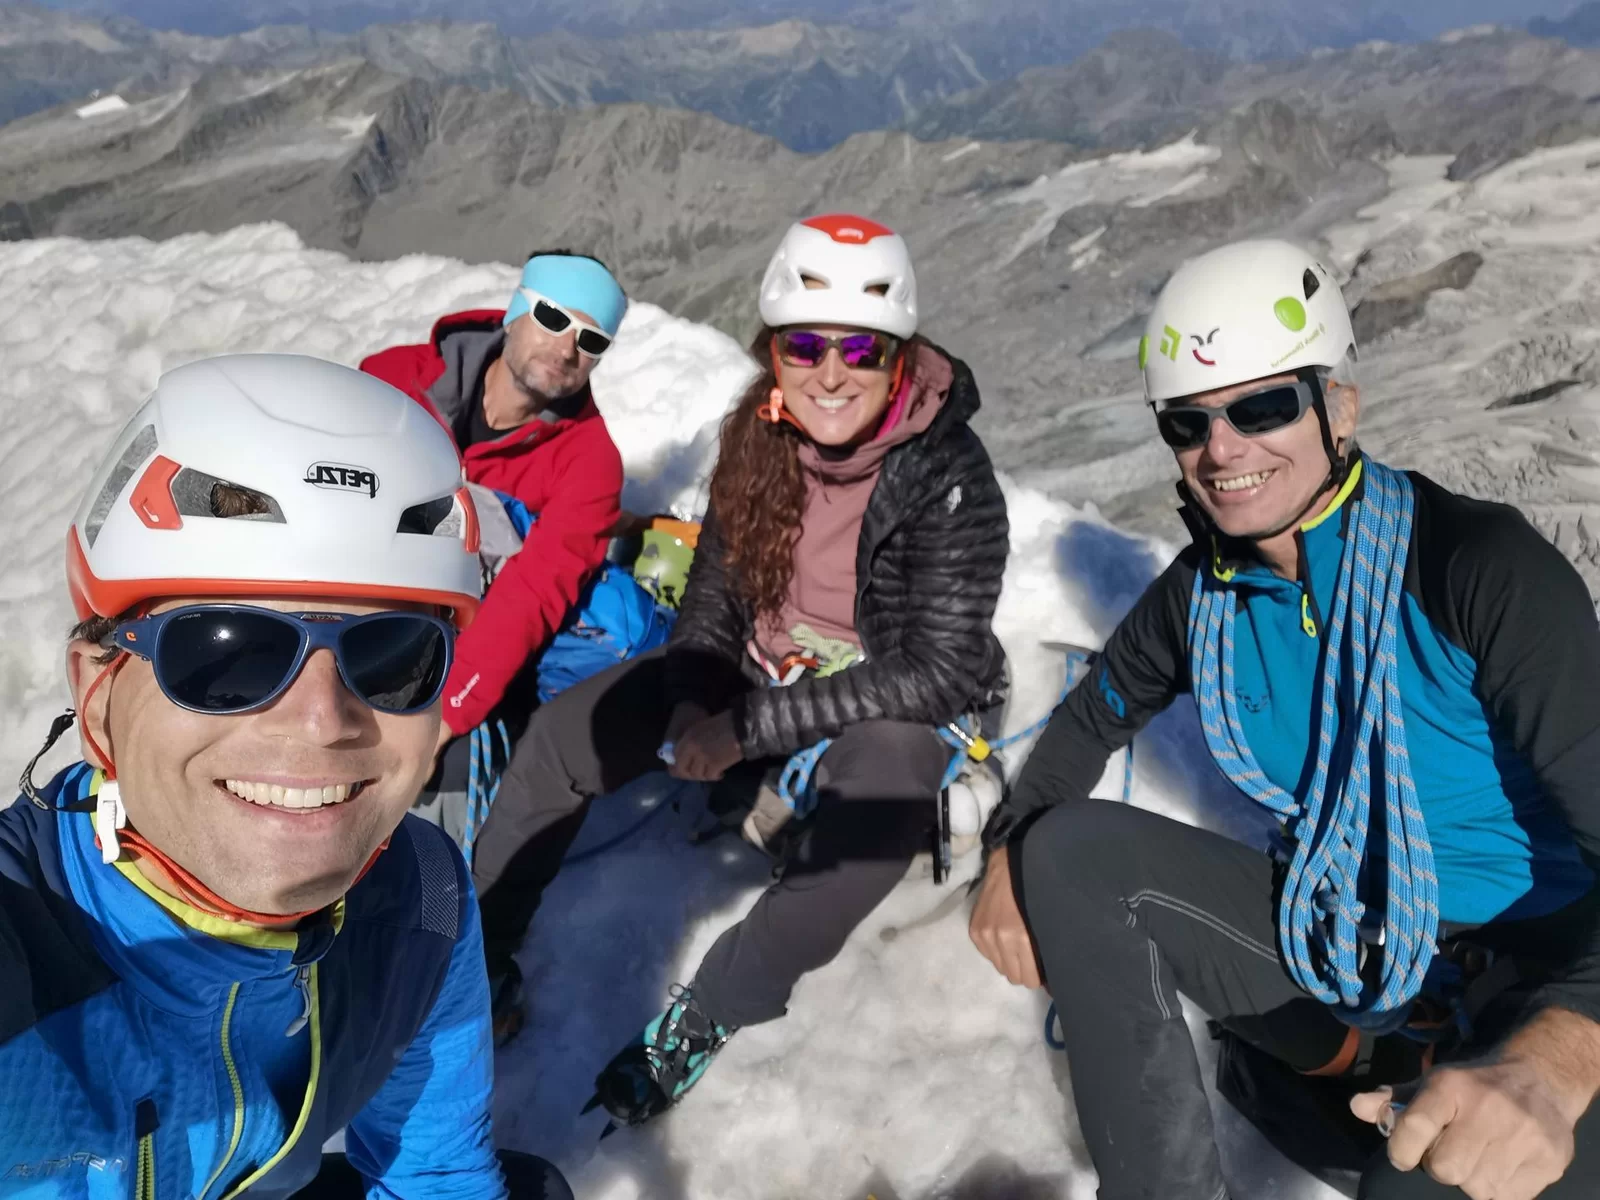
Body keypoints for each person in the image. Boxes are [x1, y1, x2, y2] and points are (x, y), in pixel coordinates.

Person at [969, 239, 1600, 1199]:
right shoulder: (1204, 601)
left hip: (1557, 972)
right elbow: (1090, 721)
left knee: (1409, 1183)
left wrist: (1557, 1059)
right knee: (1068, 853)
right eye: (1188, 423)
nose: (1222, 450)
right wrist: (1006, 852)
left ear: (1337, 407)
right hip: (1358, 939)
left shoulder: (1476, 570)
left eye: (1262, 407)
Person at [468, 213, 1010, 1109]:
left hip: (883, 693)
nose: (830, 373)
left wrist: (745, 728)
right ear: (773, 353)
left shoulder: (950, 475)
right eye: (803, 346)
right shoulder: (760, 437)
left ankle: (712, 1009)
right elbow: (718, 584)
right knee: (564, 742)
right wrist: (691, 695)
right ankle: (477, 956)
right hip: (760, 669)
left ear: (899, 358)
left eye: (861, 350)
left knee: (866, 841)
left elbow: (940, 668)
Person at [0, 355, 571, 1199]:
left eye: (393, 657)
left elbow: (435, 1172)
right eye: (229, 654)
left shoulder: (421, 900)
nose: (323, 721)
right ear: (96, 698)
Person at [359, 250, 628, 816]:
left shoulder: (590, 461)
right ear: (514, 311)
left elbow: (534, 593)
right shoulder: (395, 380)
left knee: (448, 772)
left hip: (466, 644)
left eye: (591, 340)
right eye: (553, 318)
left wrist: (448, 711)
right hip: (353, 603)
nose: (566, 349)